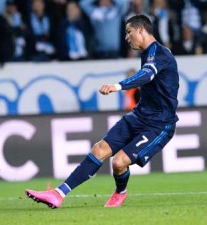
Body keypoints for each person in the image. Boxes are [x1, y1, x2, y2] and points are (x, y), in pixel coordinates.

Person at [25, 14, 179, 208]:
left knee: (118, 162)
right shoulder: (148, 54)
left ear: (141, 30)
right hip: (139, 116)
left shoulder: (161, 54)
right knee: (99, 149)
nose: (126, 37)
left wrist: (118, 86)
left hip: (159, 125)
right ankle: (58, 194)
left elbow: (147, 75)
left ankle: (120, 192)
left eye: (128, 32)